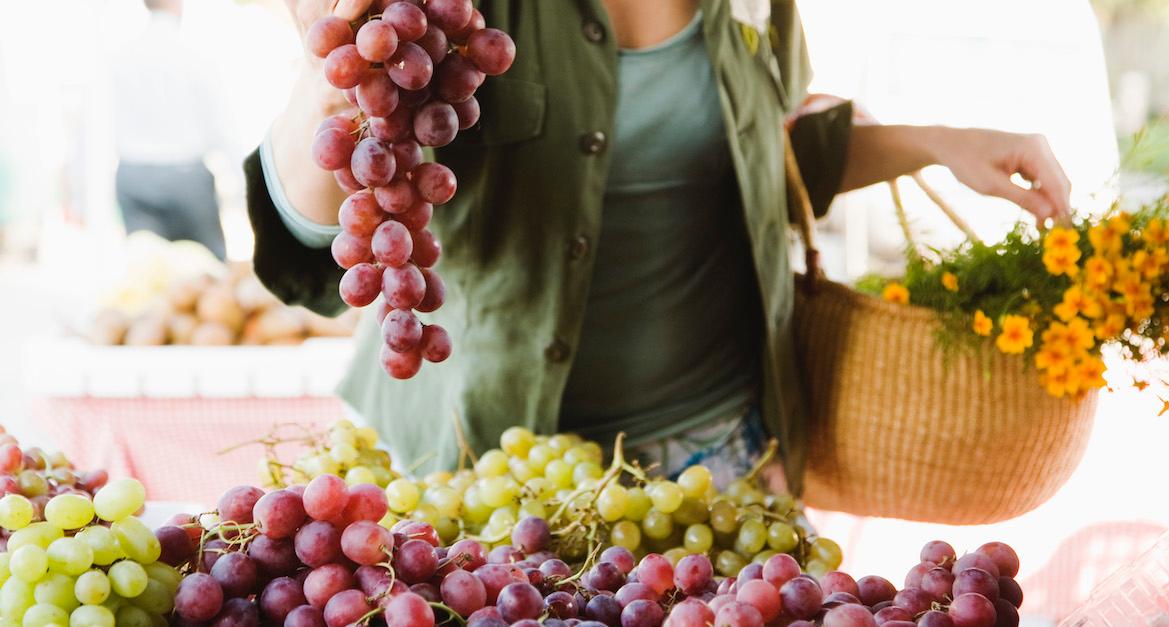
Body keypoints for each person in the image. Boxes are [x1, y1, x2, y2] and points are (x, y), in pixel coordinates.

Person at [245, 0, 1071, 487]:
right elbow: (314, 232)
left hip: (720, 455)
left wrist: (940, 141)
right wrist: (340, 62)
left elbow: (761, 152)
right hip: (481, 474)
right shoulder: (460, 8)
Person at [112, 0, 228, 260]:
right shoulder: (193, 53)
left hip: (133, 173)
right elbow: (221, 126)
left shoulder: (122, 55)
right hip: (185, 175)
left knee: (148, 273)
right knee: (208, 272)